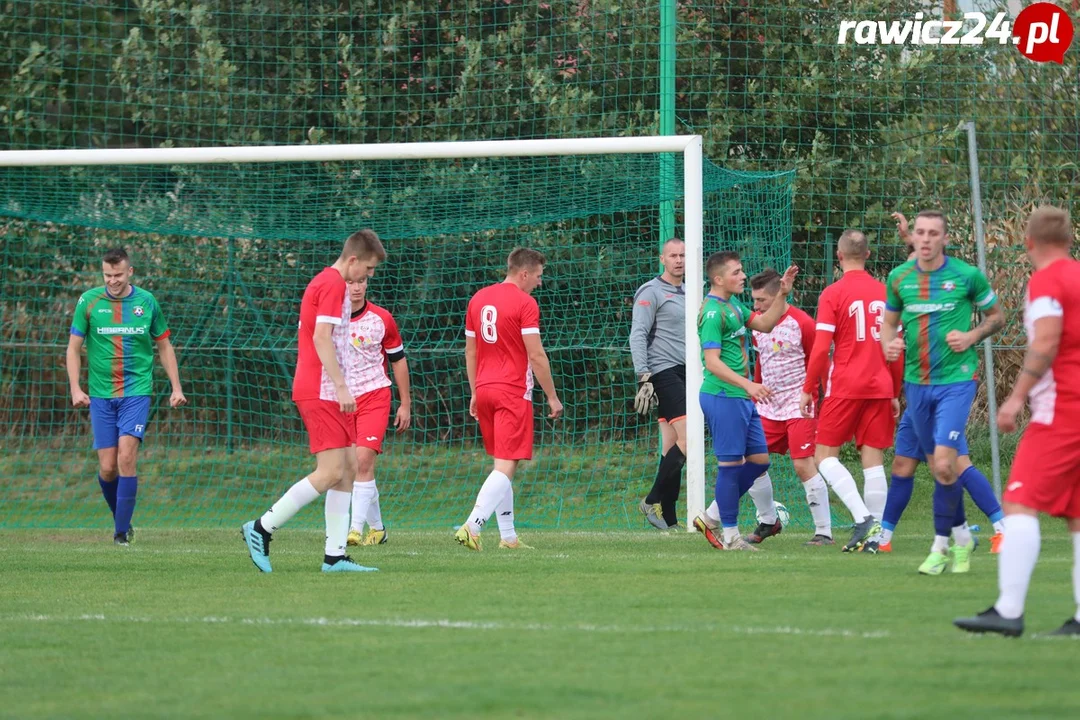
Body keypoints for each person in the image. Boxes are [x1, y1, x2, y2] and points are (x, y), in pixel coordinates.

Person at [955, 205, 1080, 637]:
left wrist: (1015, 399)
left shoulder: (1047, 280)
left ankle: (1009, 611)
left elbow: (1045, 341)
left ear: (1027, 242)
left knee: (1019, 503)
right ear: (1068, 239)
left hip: (1063, 408)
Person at [241, 229, 385, 573]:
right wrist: (340, 385)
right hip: (321, 389)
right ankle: (261, 528)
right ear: (353, 260)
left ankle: (334, 556)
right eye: (367, 269)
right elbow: (321, 337)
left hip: (327, 388)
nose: (368, 277)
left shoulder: (326, 282)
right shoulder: (333, 284)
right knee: (332, 471)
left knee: (348, 470)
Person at [866, 213, 1005, 554]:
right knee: (905, 463)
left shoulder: (963, 275)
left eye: (932, 234)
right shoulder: (901, 278)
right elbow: (888, 326)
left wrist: (971, 335)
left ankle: (999, 528)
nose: (924, 241)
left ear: (944, 239)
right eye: (919, 234)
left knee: (952, 463)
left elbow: (997, 316)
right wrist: (889, 343)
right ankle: (885, 537)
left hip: (954, 383)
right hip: (916, 389)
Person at [66, 247, 187, 546]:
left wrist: (176, 387)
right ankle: (124, 520)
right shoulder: (89, 301)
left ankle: (120, 536)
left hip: (136, 391)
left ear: (130, 272)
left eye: (118, 274)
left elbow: (164, 346)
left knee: (126, 457)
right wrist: (76, 388)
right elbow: (73, 348)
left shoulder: (146, 302)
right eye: (107, 275)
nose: (112, 280)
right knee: (107, 467)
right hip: (101, 395)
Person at [455, 248, 563, 551]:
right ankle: (472, 526)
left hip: (485, 388)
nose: (540, 283)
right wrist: (552, 397)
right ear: (524, 273)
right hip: (512, 390)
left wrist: (475, 391)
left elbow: (470, 351)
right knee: (507, 466)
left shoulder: (478, 299)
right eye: (539, 276)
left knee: (500, 463)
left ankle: (509, 537)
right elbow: (536, 355)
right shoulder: (525, 303)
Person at [799, 230, 899, 552]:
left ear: (839, 257)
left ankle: (863, 520)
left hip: (845, 384)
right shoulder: (886, 292)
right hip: (881, 385)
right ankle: (878, 539)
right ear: (868, 255)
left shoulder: (833, 293)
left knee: (824, 455)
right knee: (873, 460)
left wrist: (808, 388)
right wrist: (894, 389)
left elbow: (820, 349)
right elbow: (898, 348)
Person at [691, 251, 798, 551]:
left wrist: (783, 294)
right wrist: (748, 384)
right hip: (723, 395)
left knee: (759, 461)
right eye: (737, 272)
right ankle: (730, 536)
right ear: (719, 279)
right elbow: (711, 362)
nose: (742, 276)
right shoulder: (712, 312)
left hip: (740, 397)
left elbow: (764, 324)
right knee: (730, 466)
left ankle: (711, 516)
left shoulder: (733, 305)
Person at [748, 268, 833, 545]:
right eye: (754, 300)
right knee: (752, 461)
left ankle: (824, 532)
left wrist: (824, 396)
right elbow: (762, 361)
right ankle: (768, 521)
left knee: (802, 465)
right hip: (767, 407)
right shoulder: (758, 325)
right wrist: (755, 393)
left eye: (761, 300)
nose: (756, 306)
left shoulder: (802, 322)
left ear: (778, 296)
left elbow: (818, 360)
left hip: (799, 404)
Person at [343, 274, 412, 548]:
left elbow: (398, 361)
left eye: (361, 281)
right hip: (343, 401)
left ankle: (354, 530)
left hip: (375, 396)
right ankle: (378, 529)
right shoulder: (330, 321)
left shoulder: (382, 318)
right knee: (354, 466)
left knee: (362, 460)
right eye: (350, 282)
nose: (357, 287)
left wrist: (405, 404)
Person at [629, 238, 687, 530]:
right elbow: (637, 333)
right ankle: (651, 499)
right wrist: (644, 376)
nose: (679, 260)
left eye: (683, 255)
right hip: (663, 372)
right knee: (689, 440)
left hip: (687, 372)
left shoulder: (691, 291)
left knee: (672, 447)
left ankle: (672, 520)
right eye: (673, 255)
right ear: (662, 259)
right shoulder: (651, 291)